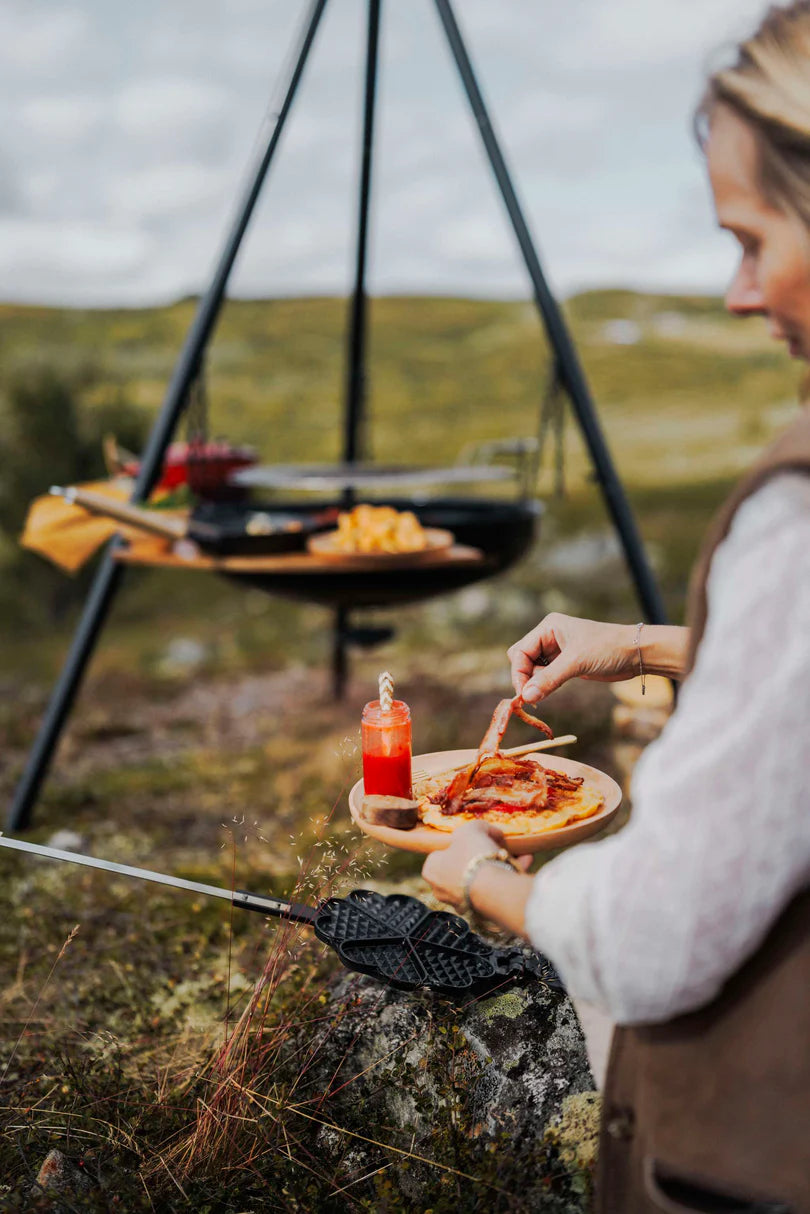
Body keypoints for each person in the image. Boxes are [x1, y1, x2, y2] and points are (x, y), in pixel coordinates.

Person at [422, 5, 810, 1211]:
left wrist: (480, 868)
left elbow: (654, 934)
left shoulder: (797, 518)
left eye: (754, 239)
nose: (740, 294)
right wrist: (636, 640)